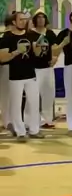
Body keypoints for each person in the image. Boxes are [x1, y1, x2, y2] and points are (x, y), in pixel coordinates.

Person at [0, 11, 44, 142]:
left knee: (34, 103)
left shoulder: (31, 35)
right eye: (21, 19)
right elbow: (2, 58)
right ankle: (20, 132)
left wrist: (38, 47)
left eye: (25, 19)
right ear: (14, 22)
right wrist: (16, 52)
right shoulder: (7, 37)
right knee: (16, 104)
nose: (24, 22)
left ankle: (34, 130)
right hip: (15, 76)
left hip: (30, 74)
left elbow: (37, 54)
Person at [31, 10, 57, 129]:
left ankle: (48, 119)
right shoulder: (31, 34)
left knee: (49, 94)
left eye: (43, 17)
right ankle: (34, 120)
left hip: (48, 67)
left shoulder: (50, 33)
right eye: (38, 17)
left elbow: (55, 47)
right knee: (34, 95)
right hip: (35, 68)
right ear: (35, 20)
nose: (41, 19)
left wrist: (55, 57)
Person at [0, 13, 14, 131]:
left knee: (9, 96)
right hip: (6, 67)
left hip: (10, 68)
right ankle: (7, 121)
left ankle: (9, 120)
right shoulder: (6, 37)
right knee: (7, 96)